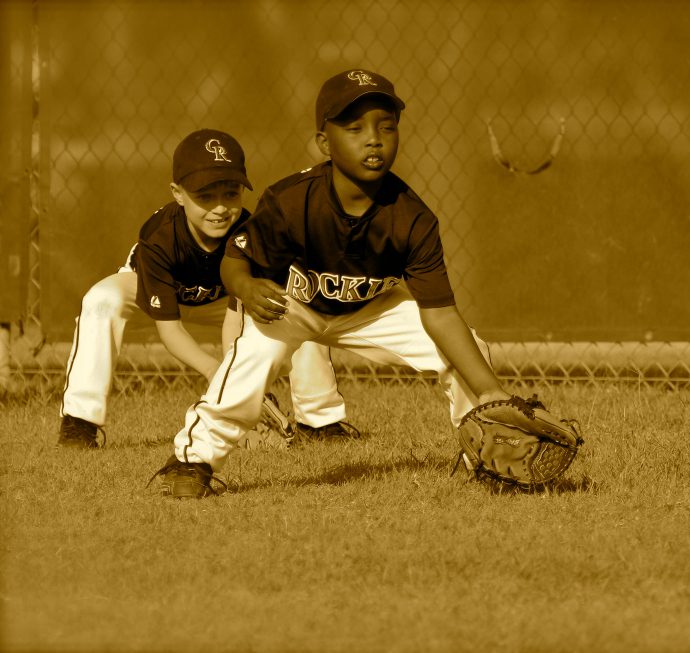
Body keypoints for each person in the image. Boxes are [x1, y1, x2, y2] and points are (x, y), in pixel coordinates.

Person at [151, 69, 511, 498]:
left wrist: (490, 391)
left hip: (371, 310)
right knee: (252, 357)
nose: (373, 139)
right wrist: (246, 289)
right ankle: (191, 461)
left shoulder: (412, 219)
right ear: (325, 143)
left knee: (465, 349)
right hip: (294, 307)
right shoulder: (291, 200)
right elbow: (234, 261)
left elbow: (440, 313)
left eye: (386, 126)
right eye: (354, 128)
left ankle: (489, 456)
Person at [58, 128, 356, 449]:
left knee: (295, 305)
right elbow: (169, 330)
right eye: (204, 196)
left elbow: (236, 319)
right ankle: (80, 422)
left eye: (230, 194)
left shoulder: (248, 232)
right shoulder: (160, 236)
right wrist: (213, 370)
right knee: (102, 300)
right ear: (178, 193)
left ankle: (321, 422)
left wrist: (239, 384)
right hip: (152, 292)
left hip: (224, 298)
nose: (219, 208)